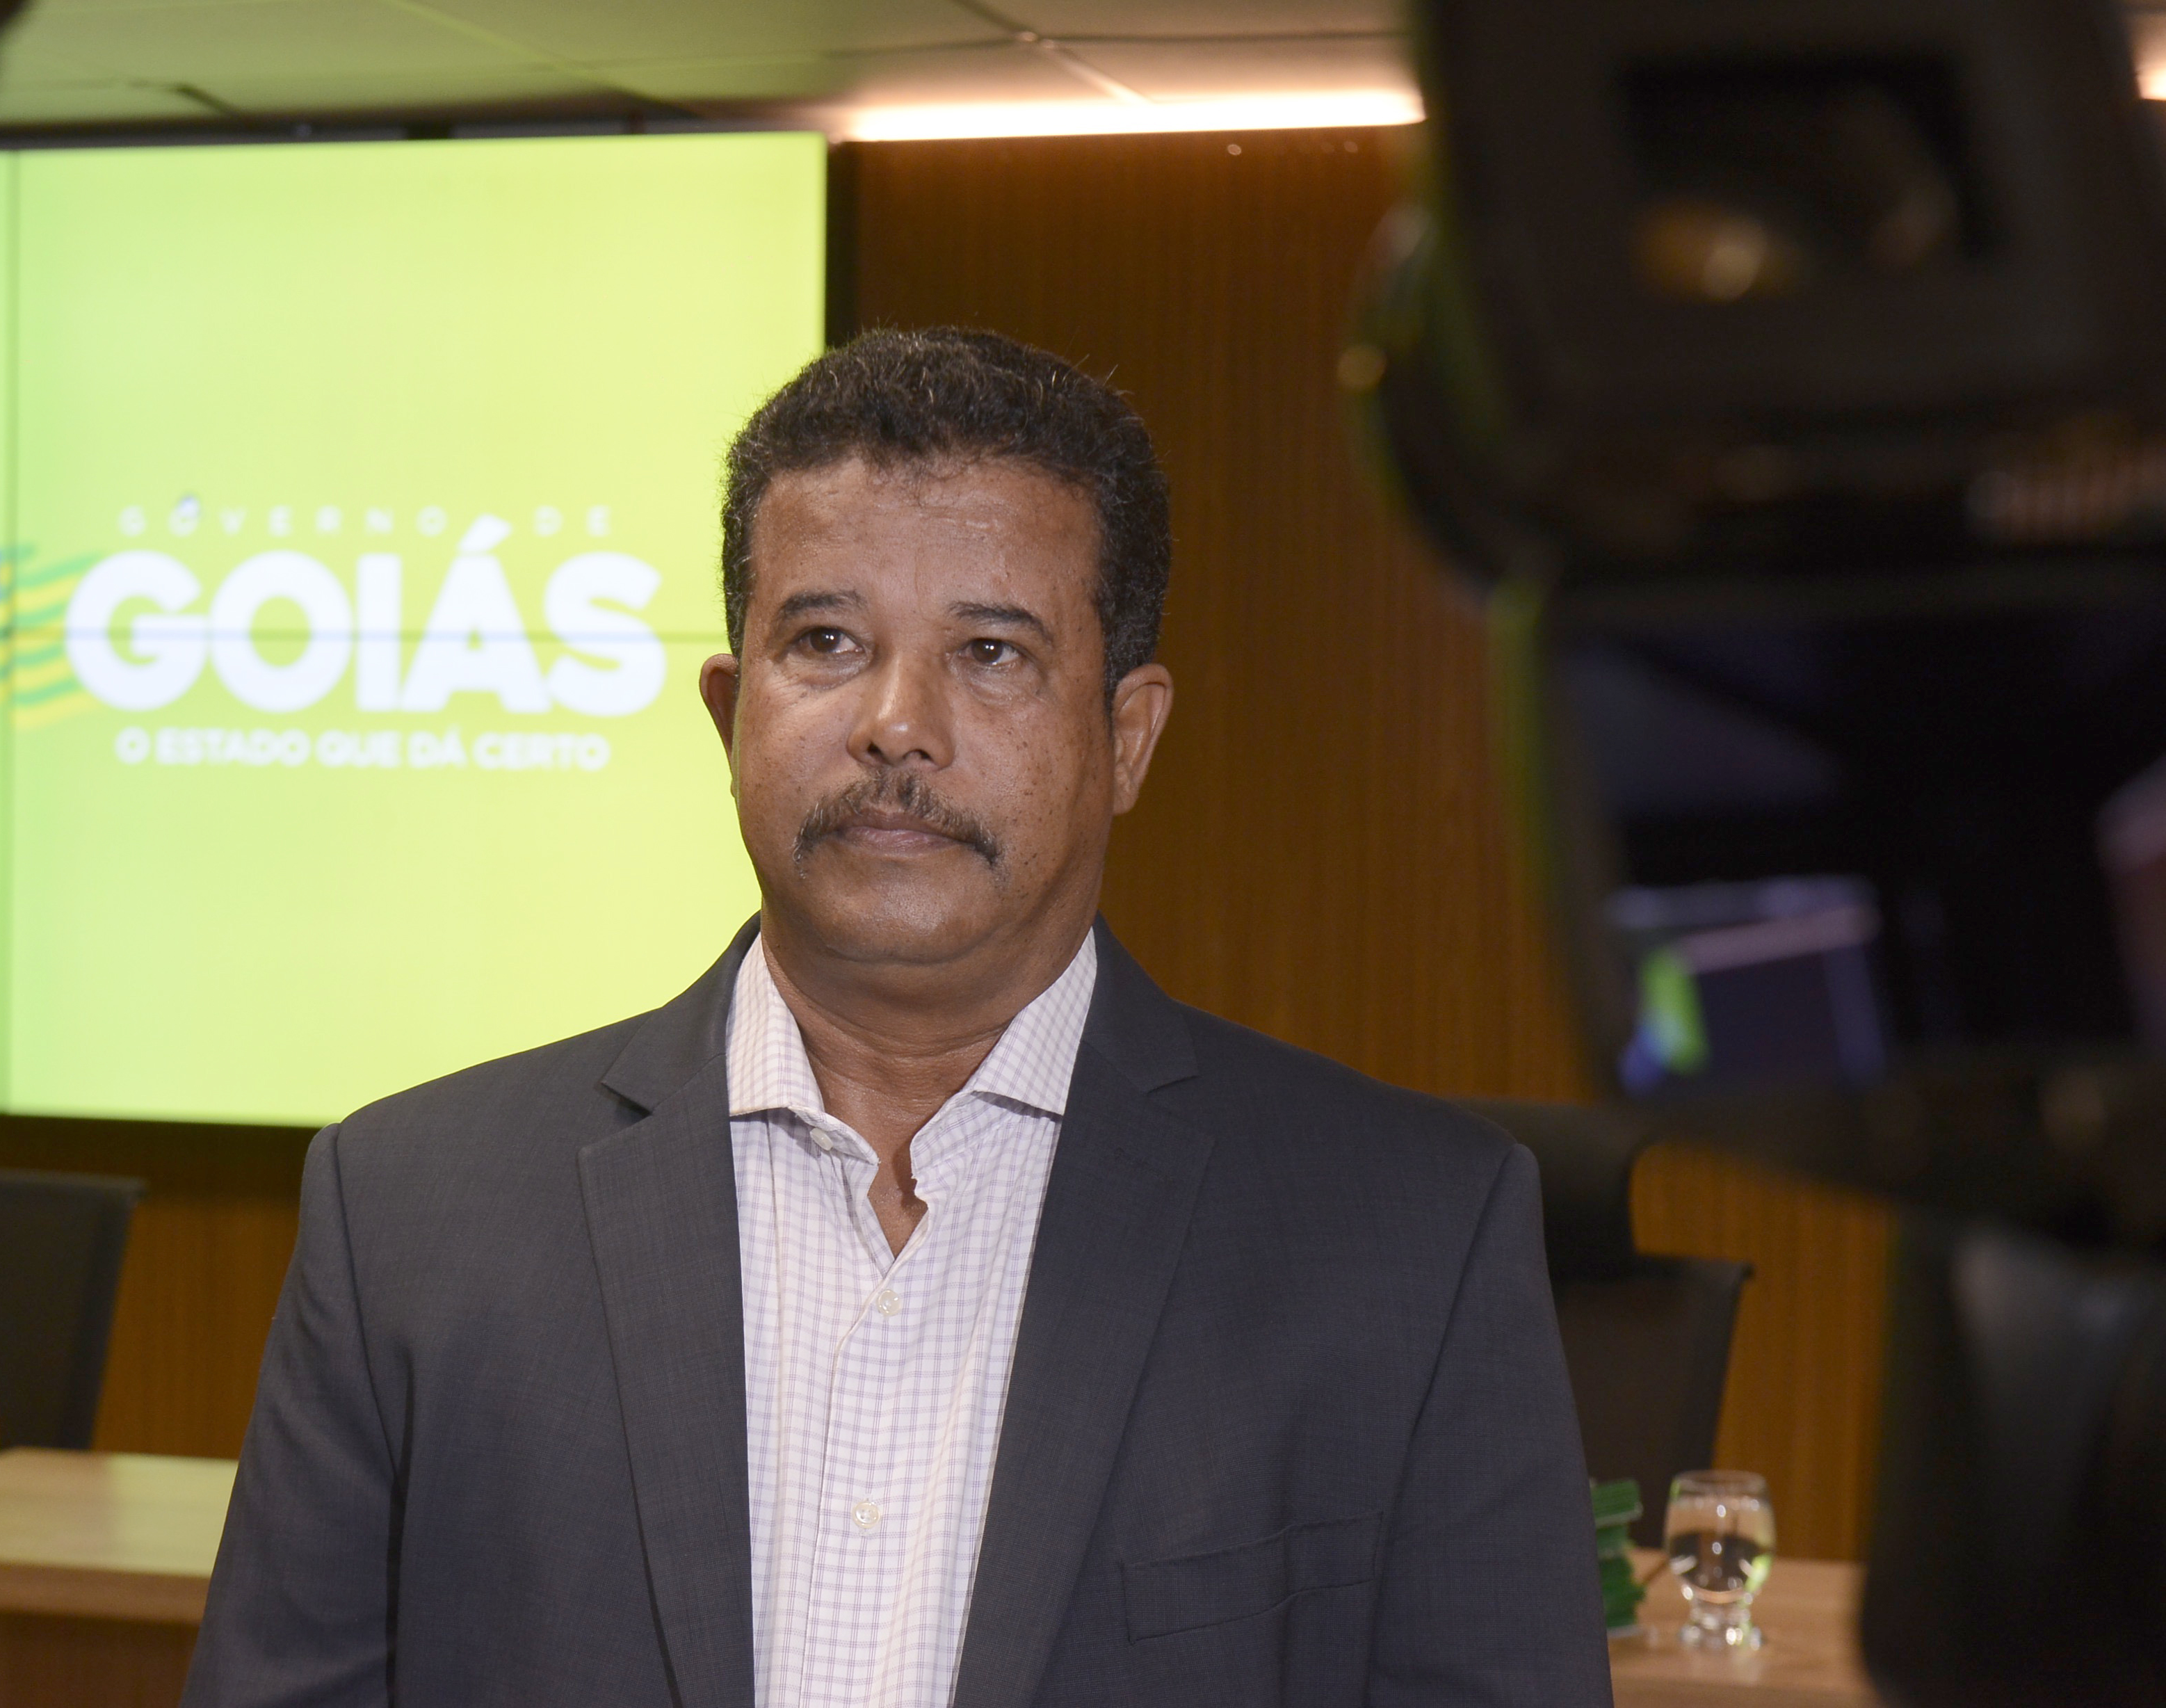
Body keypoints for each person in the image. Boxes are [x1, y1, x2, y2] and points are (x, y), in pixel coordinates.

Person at [187, 328, 1609, 1707]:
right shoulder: (407, 1214)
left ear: (1126, 737)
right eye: (825, 640)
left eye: (990, 652)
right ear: (730, 714)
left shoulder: (1410, 1238)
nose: (896, 723)